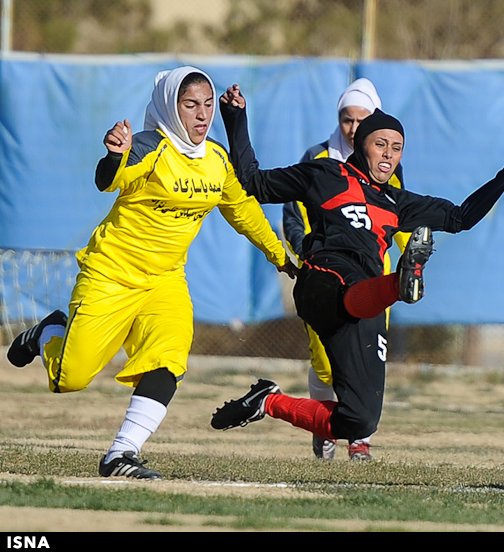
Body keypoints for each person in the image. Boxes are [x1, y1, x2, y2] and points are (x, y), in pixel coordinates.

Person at [210, 83, 504, 453]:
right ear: (360, 144)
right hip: (323, 280)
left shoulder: (396, 200)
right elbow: (253, 181)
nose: (388, 154)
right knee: (352, 284)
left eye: (396, 147)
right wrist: (235, 117)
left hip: (364, 304)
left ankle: (266, 402)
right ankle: (400, 283)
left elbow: (461, 217)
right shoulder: (325, 173)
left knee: (360, 419)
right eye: (380, 144)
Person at [6, 66, 295, 479]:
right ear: (169, 106)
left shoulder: (216, 159)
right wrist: (113, 155)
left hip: (165, 281)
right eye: (190, 104)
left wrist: (279, 255)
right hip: (111, 275)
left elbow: (244, 211)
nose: (202, 115)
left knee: (169, 360)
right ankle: (49, 332)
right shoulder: (148, 147)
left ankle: (121, 454)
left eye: (208, 105)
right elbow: (109, 181)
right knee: (69, 378)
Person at [283, 78, 409, 461]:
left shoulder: (387, 166)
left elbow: (399, 219)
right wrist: (307, 252)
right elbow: (294, 214)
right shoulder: (318, 160)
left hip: (372, 281)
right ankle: (325, 431)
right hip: (327, 278)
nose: (353, 129)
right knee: (325, 361)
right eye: (346, 120)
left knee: (369, 360)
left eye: (362, 121)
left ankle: (360, 440)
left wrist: (411, 264)